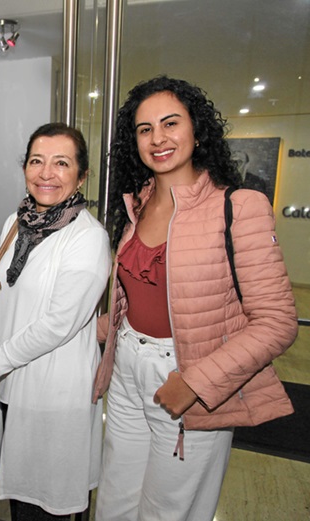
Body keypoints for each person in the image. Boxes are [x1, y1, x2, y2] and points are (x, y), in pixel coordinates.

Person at [92, 76, 297, 521]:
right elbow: (136, 297)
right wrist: (88, 330)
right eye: (145, 129)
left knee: (169, 511)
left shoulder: (239, 206)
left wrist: (196, 383)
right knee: (114, 503)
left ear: (197, 131)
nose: (158, 138)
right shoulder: (137, 204)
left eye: (170, 123)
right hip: (127, 373)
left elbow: (277, 321)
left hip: (191, 379)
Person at [0, 123, 110, 519]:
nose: (46, 173)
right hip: (12, 385)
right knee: (23, 503)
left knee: (49, 504)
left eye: (62, 163)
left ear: (82, 175)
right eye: (37, 161)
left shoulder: (87, 238)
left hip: (54, 395)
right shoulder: (15, 222)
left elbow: (58, 324)